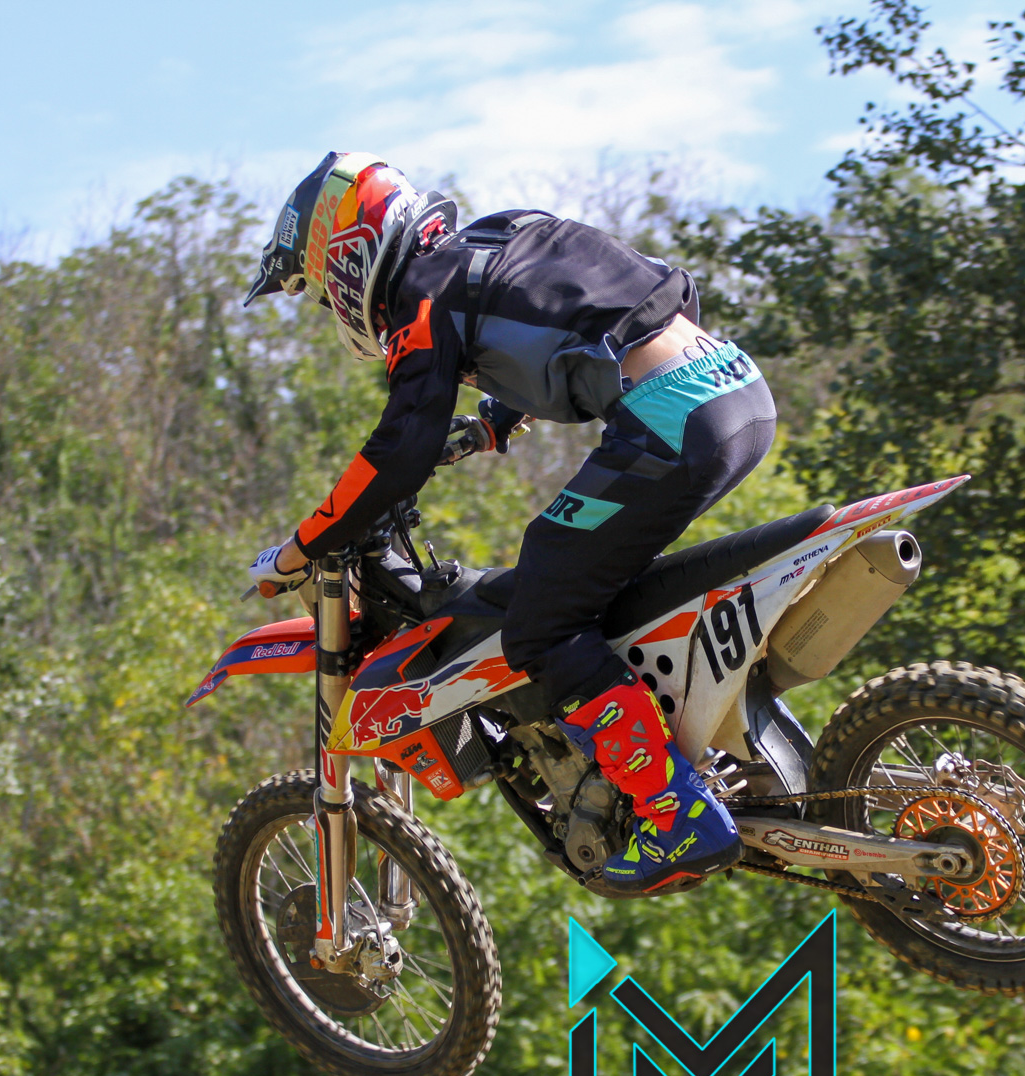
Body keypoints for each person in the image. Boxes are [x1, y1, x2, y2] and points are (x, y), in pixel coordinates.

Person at [241, 152, 775, 892]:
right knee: (590, 583)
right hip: (737, 387)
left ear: (348, 258)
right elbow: (614, 301)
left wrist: (306, 545)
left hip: (672, 419)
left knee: (541, 621)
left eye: (325, 290)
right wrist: (499, 415)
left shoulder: (424, 298)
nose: (334, 307)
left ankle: (675, 812)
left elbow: (401, 447)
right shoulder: (505, 232)